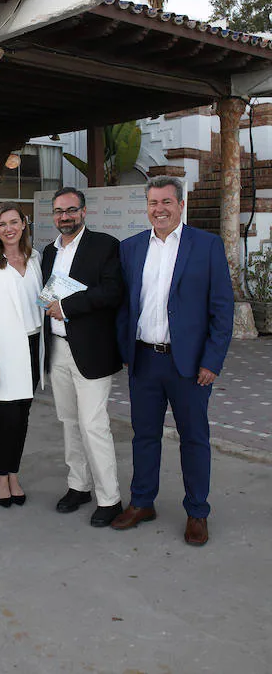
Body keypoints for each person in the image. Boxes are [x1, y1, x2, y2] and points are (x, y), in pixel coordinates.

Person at [112, 176, 234, 546]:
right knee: (143, 436)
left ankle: (197, 511)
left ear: (180, 205)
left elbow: (222, 309)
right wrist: (125, 353)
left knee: (194, 439)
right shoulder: (131, 248)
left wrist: (212, 361)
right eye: (153, 203)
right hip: (144, 361)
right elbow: (123, 305)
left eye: (166, 202)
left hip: (190, 365)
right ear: (146, 207)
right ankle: (142, 502)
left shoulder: (207, 246)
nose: (159, 209)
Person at [41, 188, 124, 527]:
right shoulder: (47, 252)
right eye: (59, 211)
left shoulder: (106, 246)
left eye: (71, 210)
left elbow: (112, 292)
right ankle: (79, 485)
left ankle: (111, 499)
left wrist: (68, 307)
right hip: (58, 349)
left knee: (94, 425)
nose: (65, 217)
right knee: (69, 422)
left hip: (91, 351)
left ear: (84, 212)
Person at [0, 202, 44, 508]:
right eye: (2, 224)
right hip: (2, 351)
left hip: (33, 345)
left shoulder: (35, 258)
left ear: (24, 225)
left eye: (14, 222)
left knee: (23, 416)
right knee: (7, 418)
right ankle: (1, 476)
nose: (9, 228)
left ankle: (14, 473)